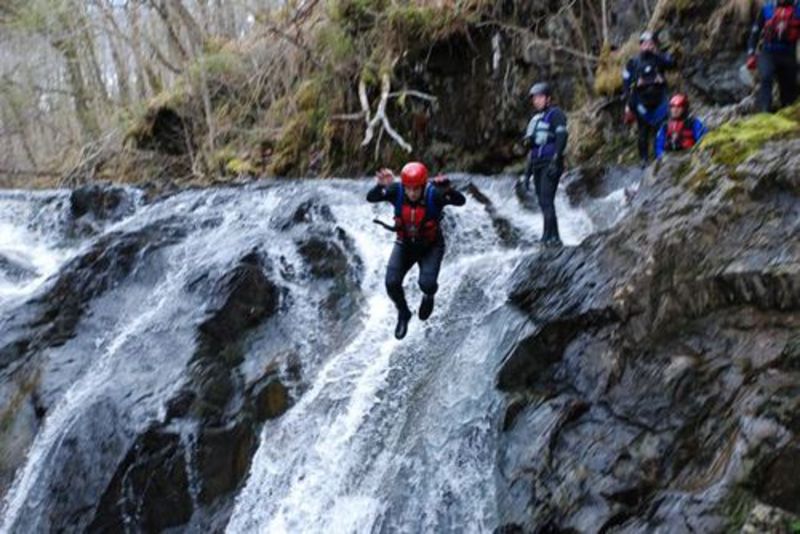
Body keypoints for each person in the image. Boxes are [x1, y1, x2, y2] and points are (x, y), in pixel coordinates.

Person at [367, 161, 466, 340]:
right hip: (405, 245)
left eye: (416, 189)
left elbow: (461, 201)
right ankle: (404, 313)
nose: (412, 193)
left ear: (423, 185)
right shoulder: (396, 191)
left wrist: (448, 191)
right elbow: (371, 198)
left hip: (431, 246)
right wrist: (380, 186)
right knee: (391, 283)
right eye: (409, 189)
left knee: (427, 284)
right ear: (404, 186)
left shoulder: (434, 194)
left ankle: (428, 296)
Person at [522, 82, 568, 248]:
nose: (537, 101)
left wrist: (556, 159)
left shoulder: (556, 114)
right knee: (543, 201)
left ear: (548, 98)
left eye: (540, 97)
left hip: (550, 163)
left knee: (547, 200)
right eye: (534, 98)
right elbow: (532, 150)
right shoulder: (535, 120)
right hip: (537, 164)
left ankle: (546, 237)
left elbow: (562, 137)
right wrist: (527, 174)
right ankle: (554, 237)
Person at [622, 31, 676, 163]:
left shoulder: (659, 58)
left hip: (659, 99)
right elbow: (626, 82)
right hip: (641, 102)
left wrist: (659, 54)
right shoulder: (633, 62)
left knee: (661, 129)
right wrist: (629, 103)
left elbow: (672, 63)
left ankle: (661, 157)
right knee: (643, 132)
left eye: (650, 43)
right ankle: (643, 160)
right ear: (640, 45)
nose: (648, 46)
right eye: (645, 43)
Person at [746, 0, 800, 112]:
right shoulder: (767, 8)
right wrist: (751, 54)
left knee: (789, 92)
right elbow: (755, 32)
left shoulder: (798, 10)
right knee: (766, 77)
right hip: (768, 53)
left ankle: (786, 111)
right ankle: (765, 111)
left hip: (788, 54)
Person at [654, 93, 707, 159]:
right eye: (673, 107)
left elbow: (702, 140)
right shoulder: (665, 125)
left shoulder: (693, 122)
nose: (675, 110)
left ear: (684, 108)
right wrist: (661, 156)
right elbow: (659, 145)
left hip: (688, 155)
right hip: (669, 156)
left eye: (679, 107)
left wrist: (697, 153)